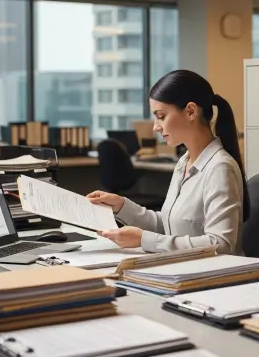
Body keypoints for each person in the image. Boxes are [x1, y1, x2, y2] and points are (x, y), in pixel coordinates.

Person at [87, 70, 249, 255]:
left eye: (161, 116)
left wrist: (144, 240)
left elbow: (221, 245)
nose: (155, 127)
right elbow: (170, 225)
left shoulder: (220, 167)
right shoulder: (184, 162)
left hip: (213, 270)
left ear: (191, 111)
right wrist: (121, 206)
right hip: (184, 267)